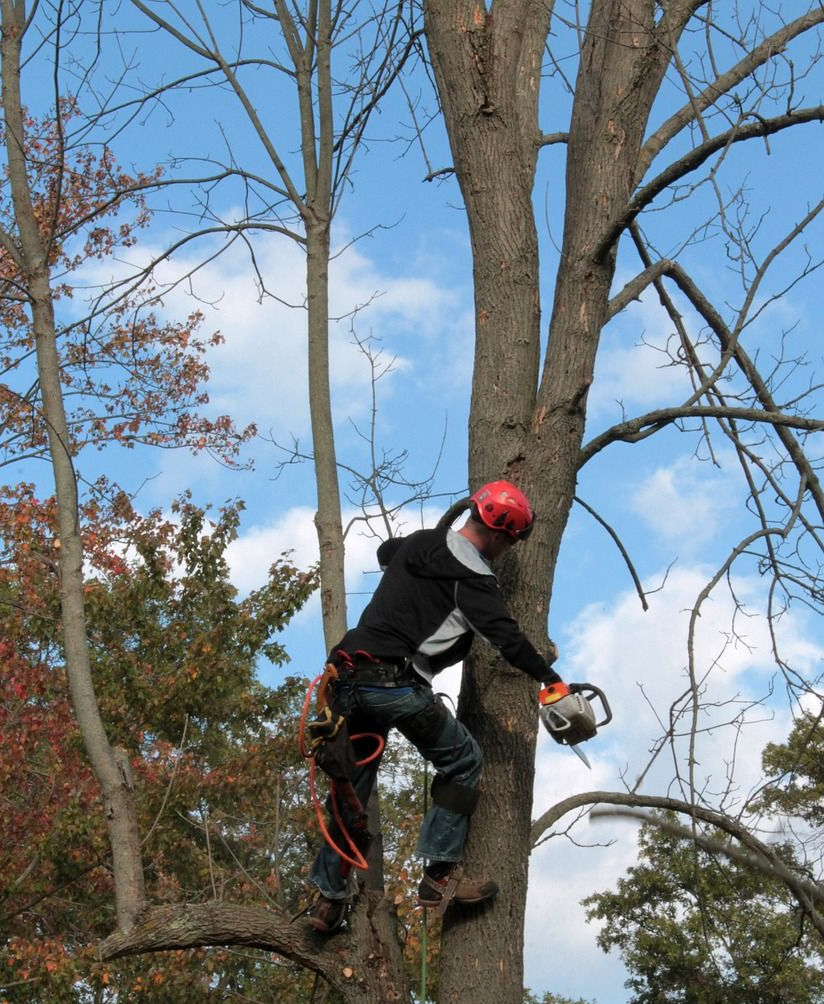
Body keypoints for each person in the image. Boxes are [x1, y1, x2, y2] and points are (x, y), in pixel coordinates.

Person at [306, 479, 564, 933]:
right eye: (510, 542)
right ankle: (439, 878)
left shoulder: (420, 544)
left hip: (345, 680)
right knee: (464, 761)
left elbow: (388, 552)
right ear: (503, 535)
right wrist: (551, 680)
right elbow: (508, 640)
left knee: (354, 788)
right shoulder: (474, 582)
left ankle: (327, 902)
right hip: (394, 685)